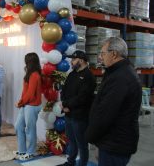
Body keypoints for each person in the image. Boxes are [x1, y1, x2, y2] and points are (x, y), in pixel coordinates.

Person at [85, 37, 142, 166]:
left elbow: (105, 113)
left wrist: (90, 136)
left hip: (115, 144)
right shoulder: (119, 73)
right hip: (112, 141)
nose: (100, 57)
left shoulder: (120, 78)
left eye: (103, 53)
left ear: (114, 54)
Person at [57, 50, 96, 166]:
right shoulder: (72, 74)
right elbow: (64, 90)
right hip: (68, 114)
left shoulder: (89, 76)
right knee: (71, 141)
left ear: (82, 61)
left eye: (74, 60)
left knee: (82, 144)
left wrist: (67, 105)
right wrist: (64, 104)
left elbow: (83, 97)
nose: (71, 62)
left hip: (80, 116)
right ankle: (70, 162)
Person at [14, 53, 42, 160]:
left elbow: (30, 94)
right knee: (18, 126)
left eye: (26, 60)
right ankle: (22, 150)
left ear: (29, 62)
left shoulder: (34, 75)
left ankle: (31, 152)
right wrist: (21, 102)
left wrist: (20, 103)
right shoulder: (30, 74)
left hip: (32, 106)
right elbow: (25, 92)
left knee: (30, 129)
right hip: (26, 105)